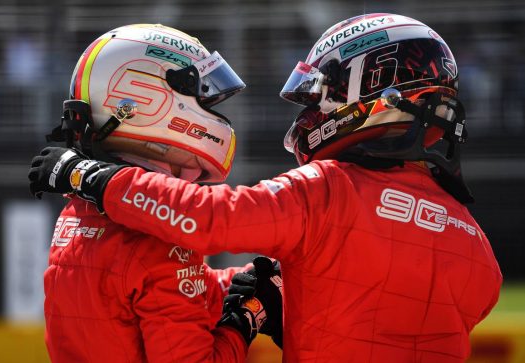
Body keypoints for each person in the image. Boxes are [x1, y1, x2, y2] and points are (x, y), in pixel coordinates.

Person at [30, 14, 502, 362]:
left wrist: (85, 175)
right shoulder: (473, 240)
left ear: (373, 87)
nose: (311, 111)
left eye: (321, 95)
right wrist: (246, 288)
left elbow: (209, 219)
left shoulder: (326, 190)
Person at [31, 23, 282, 363]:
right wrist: (249, 316)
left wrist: (240, 282)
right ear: (145, 97)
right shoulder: (158, 230)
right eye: (204, 97)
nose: (214, 111)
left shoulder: (80, 207)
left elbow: (151, 291)